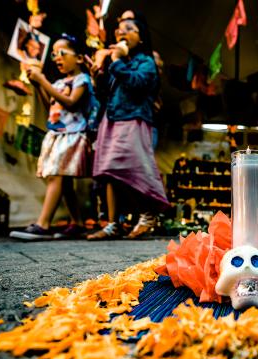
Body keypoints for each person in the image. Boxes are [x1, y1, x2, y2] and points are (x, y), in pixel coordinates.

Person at [86, 10, 169, 240]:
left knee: (134, 168)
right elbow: (105, 94)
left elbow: (138, 84)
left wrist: (116, 61)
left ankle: (147, 214)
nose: (122, 32)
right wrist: (97, 76)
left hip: (134, 119)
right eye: (119, 29)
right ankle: (113, 224)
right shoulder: (119, 61)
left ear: (141, 38)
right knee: (110, 172)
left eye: (129, 29)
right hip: (111, 119)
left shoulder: (146, 62)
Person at [10, 34, 94, 240]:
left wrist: (42, 80)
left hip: (72, 135)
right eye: (55, 54)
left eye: (62, 53)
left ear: (80, 58)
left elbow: (71, 102)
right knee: (64, 182)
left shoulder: (82, 79)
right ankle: (78, 223)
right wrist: (38, 84)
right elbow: (51, 106)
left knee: (56, 175)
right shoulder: (57, 82)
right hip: (58, 133)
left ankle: (43, 224)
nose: (57, 58)